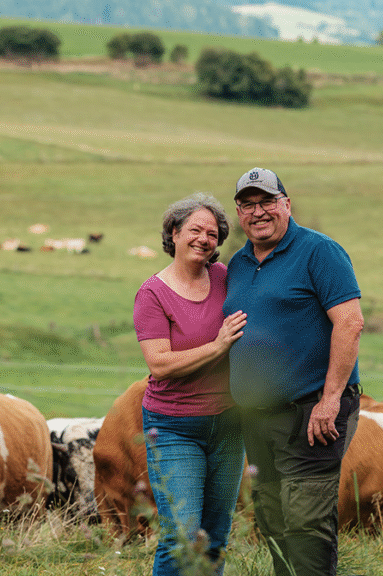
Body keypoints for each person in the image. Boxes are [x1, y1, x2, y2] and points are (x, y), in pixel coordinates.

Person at [222, 167, 364, 576]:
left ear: (286, 204)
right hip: (258, 418)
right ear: (238, 212)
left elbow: (350, 322)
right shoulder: (239, 264)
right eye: (248, 205)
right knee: (271, 519)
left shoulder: (319, 251)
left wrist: (331, 399)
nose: (258, 212)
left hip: (312, 413)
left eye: (267, 201)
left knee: (305, 522)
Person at [132, 193, 248, 576]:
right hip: (173, 427)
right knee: (181, 536)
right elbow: (160, 364)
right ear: (175, 232)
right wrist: (218, 345)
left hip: (229, 424)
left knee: (215, 537)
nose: (204, 238)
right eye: (195, 229)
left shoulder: (225, 277)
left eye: (213, 233)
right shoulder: (152, 293)